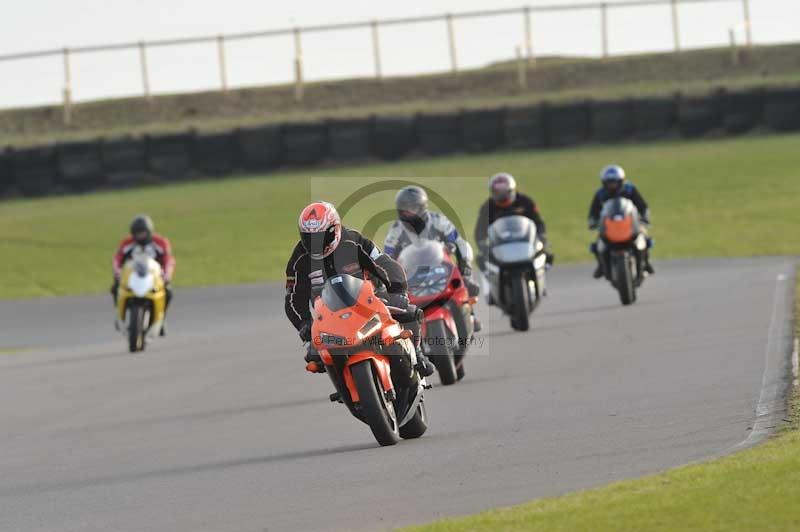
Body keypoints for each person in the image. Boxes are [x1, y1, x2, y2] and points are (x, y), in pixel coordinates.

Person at [284, 200, 435, 376]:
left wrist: (397, 289)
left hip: (370, 301)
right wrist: (303, 323)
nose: (316, 244)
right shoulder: (298, 260)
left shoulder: (354, 241)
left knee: (410, 313)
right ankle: (343, 384)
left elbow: (384, 263)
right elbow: (293, 298)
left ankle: (417, 353)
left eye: (321, 237)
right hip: (328, 316)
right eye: (309, 239)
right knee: (314, 355)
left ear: (335, 229)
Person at [383, 186, 482, 331]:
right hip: (412, 274)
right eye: (405, 209)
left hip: (441, 267)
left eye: (413, 208)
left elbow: (459, 242)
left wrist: (465, 267)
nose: (409, 212)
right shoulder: (395, 230)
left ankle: (470, 312)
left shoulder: (439, 221)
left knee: (465, 263)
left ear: (422, 207)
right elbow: (388, 256)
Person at [474, 173, 553, 286]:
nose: (501, 197)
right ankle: (491, 284)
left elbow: (538, 222)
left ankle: (540, 274)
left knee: (546, 251)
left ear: (512, 190)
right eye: (497, 193)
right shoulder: (487, 207)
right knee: (481, 258)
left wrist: (542, 236)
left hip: (525, 241)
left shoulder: (525, 202)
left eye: (504, 193)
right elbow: (480, 230)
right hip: (500, 244)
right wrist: (481, 244)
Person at [111, 214, 175, 335]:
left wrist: (167, 274)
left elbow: (168, 259)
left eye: (143, 233)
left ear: (149, 232)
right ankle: (119, 316)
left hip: (154, 277)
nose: (140, 236)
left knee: (168, 292)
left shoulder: (160, 242)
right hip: (133, 276)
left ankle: (161, 320)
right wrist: (117, 271)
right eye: (137, 233)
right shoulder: (126, 243)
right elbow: (117, 259)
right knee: (115, 288)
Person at [588, 164, 654, 278]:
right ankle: (602, 266)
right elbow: (593, 212)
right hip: (610, 226)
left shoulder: (630, 190)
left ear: (621, 181)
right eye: (609, 182)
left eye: (614, 182)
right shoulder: (600, 194)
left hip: (630, 223)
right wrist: (593, 222)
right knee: (599, 244)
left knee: (643, 237)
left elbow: (642, 206)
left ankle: (645, 262)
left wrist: (644, 217)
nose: (612, 185)